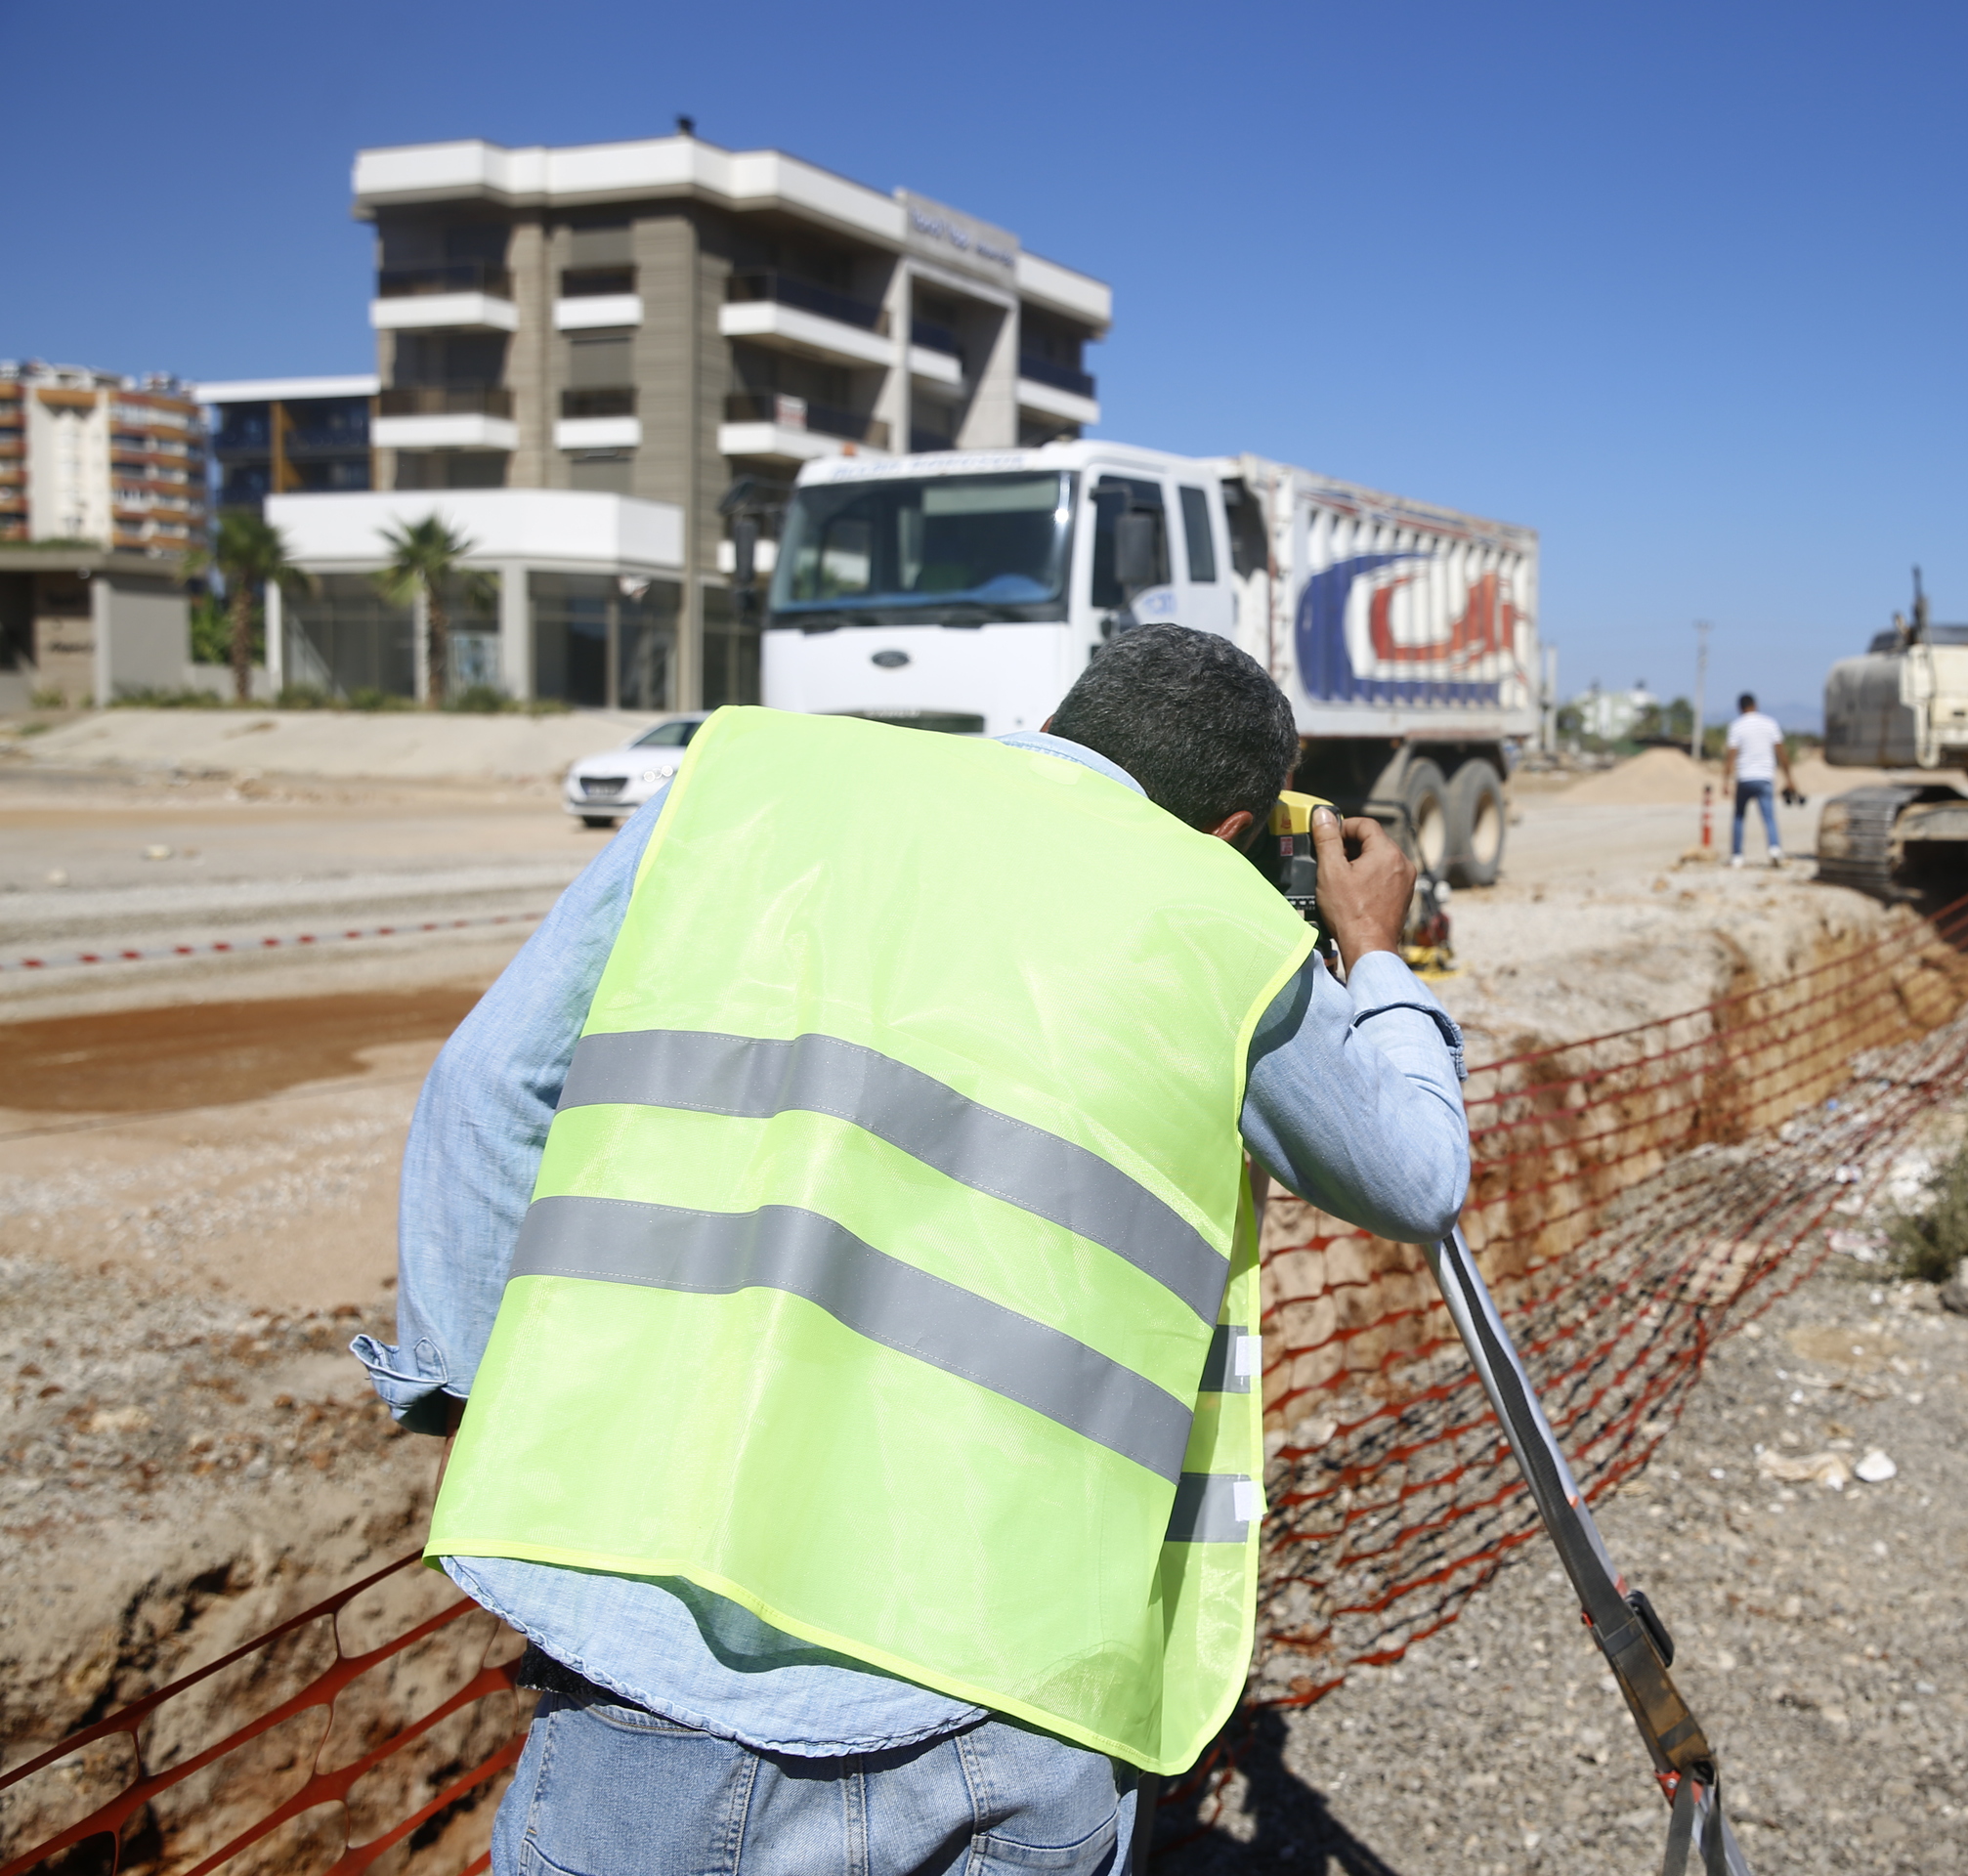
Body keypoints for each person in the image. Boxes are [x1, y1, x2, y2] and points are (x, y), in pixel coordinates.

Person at [352, 626, 1470, 1876]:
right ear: (1232, 827)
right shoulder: (1216, 918)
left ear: (1068, 723)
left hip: (652, 1642)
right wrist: (1372, 950)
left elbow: (490, 1085)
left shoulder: (747, 779)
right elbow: (1417, 1179)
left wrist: (466, 1393)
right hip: (998, 1677)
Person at [1723, 693, 1792, 867]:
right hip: (1765, 777)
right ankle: (1774, 849)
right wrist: (1789, 778)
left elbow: (1731, 756)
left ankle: (1737, 856)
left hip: (1744, 777)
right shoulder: (1770, 724)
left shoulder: (1737, 726)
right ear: (1756, 705)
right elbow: (1782, 753)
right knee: (1769, 817)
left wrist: (1725, 781)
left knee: (1739, 816)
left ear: (1739, 707)